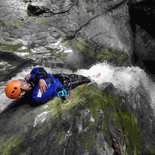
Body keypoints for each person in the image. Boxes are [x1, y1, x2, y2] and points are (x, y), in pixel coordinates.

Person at [5, 67, 90, 105]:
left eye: (21, 81)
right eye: (22, 84)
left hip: (59, 77)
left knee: (83, 76)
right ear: (22, 93)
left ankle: (91, 76)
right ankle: (92, 79)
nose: (24, 81)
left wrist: (39, 78)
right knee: (88, 80)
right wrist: (38, 77)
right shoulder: (36, 96)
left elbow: (38, 69)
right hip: (64, 82)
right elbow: (52, 83)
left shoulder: (28, 82)